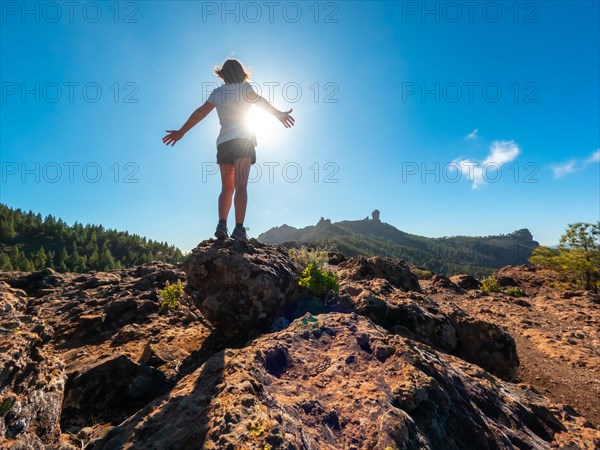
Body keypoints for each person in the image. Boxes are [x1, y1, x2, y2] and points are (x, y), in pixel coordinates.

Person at [162, 58, 295, 242]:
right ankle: (239, 230)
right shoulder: (246, 89)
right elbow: (261, 102)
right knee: (241, 186)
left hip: (224, 143)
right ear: (242, 73)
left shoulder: (218, 93)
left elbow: (200, 112)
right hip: (244, 141)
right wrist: (278, 114)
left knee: (226, 188)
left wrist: (182, 131)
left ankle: (221, 225)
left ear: (222, 75)